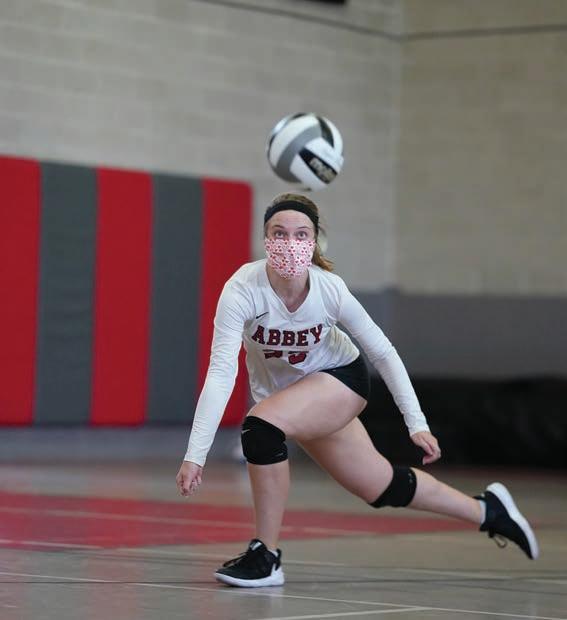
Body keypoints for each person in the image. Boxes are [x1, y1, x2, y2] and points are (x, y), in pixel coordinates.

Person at [176, 193, 538, 588]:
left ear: (315, 241)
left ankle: (266, 555)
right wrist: (196, 455)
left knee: (260, 428)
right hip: (293, 398)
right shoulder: (242, 290)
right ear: (265, 239)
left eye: (301, 234)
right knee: (379, 485)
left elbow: (383, 352)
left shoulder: (329, 289)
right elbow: (221, 372)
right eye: (279, 233)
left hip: (340, 378)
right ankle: (488, 512)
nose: (290, 243)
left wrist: (416, 422)